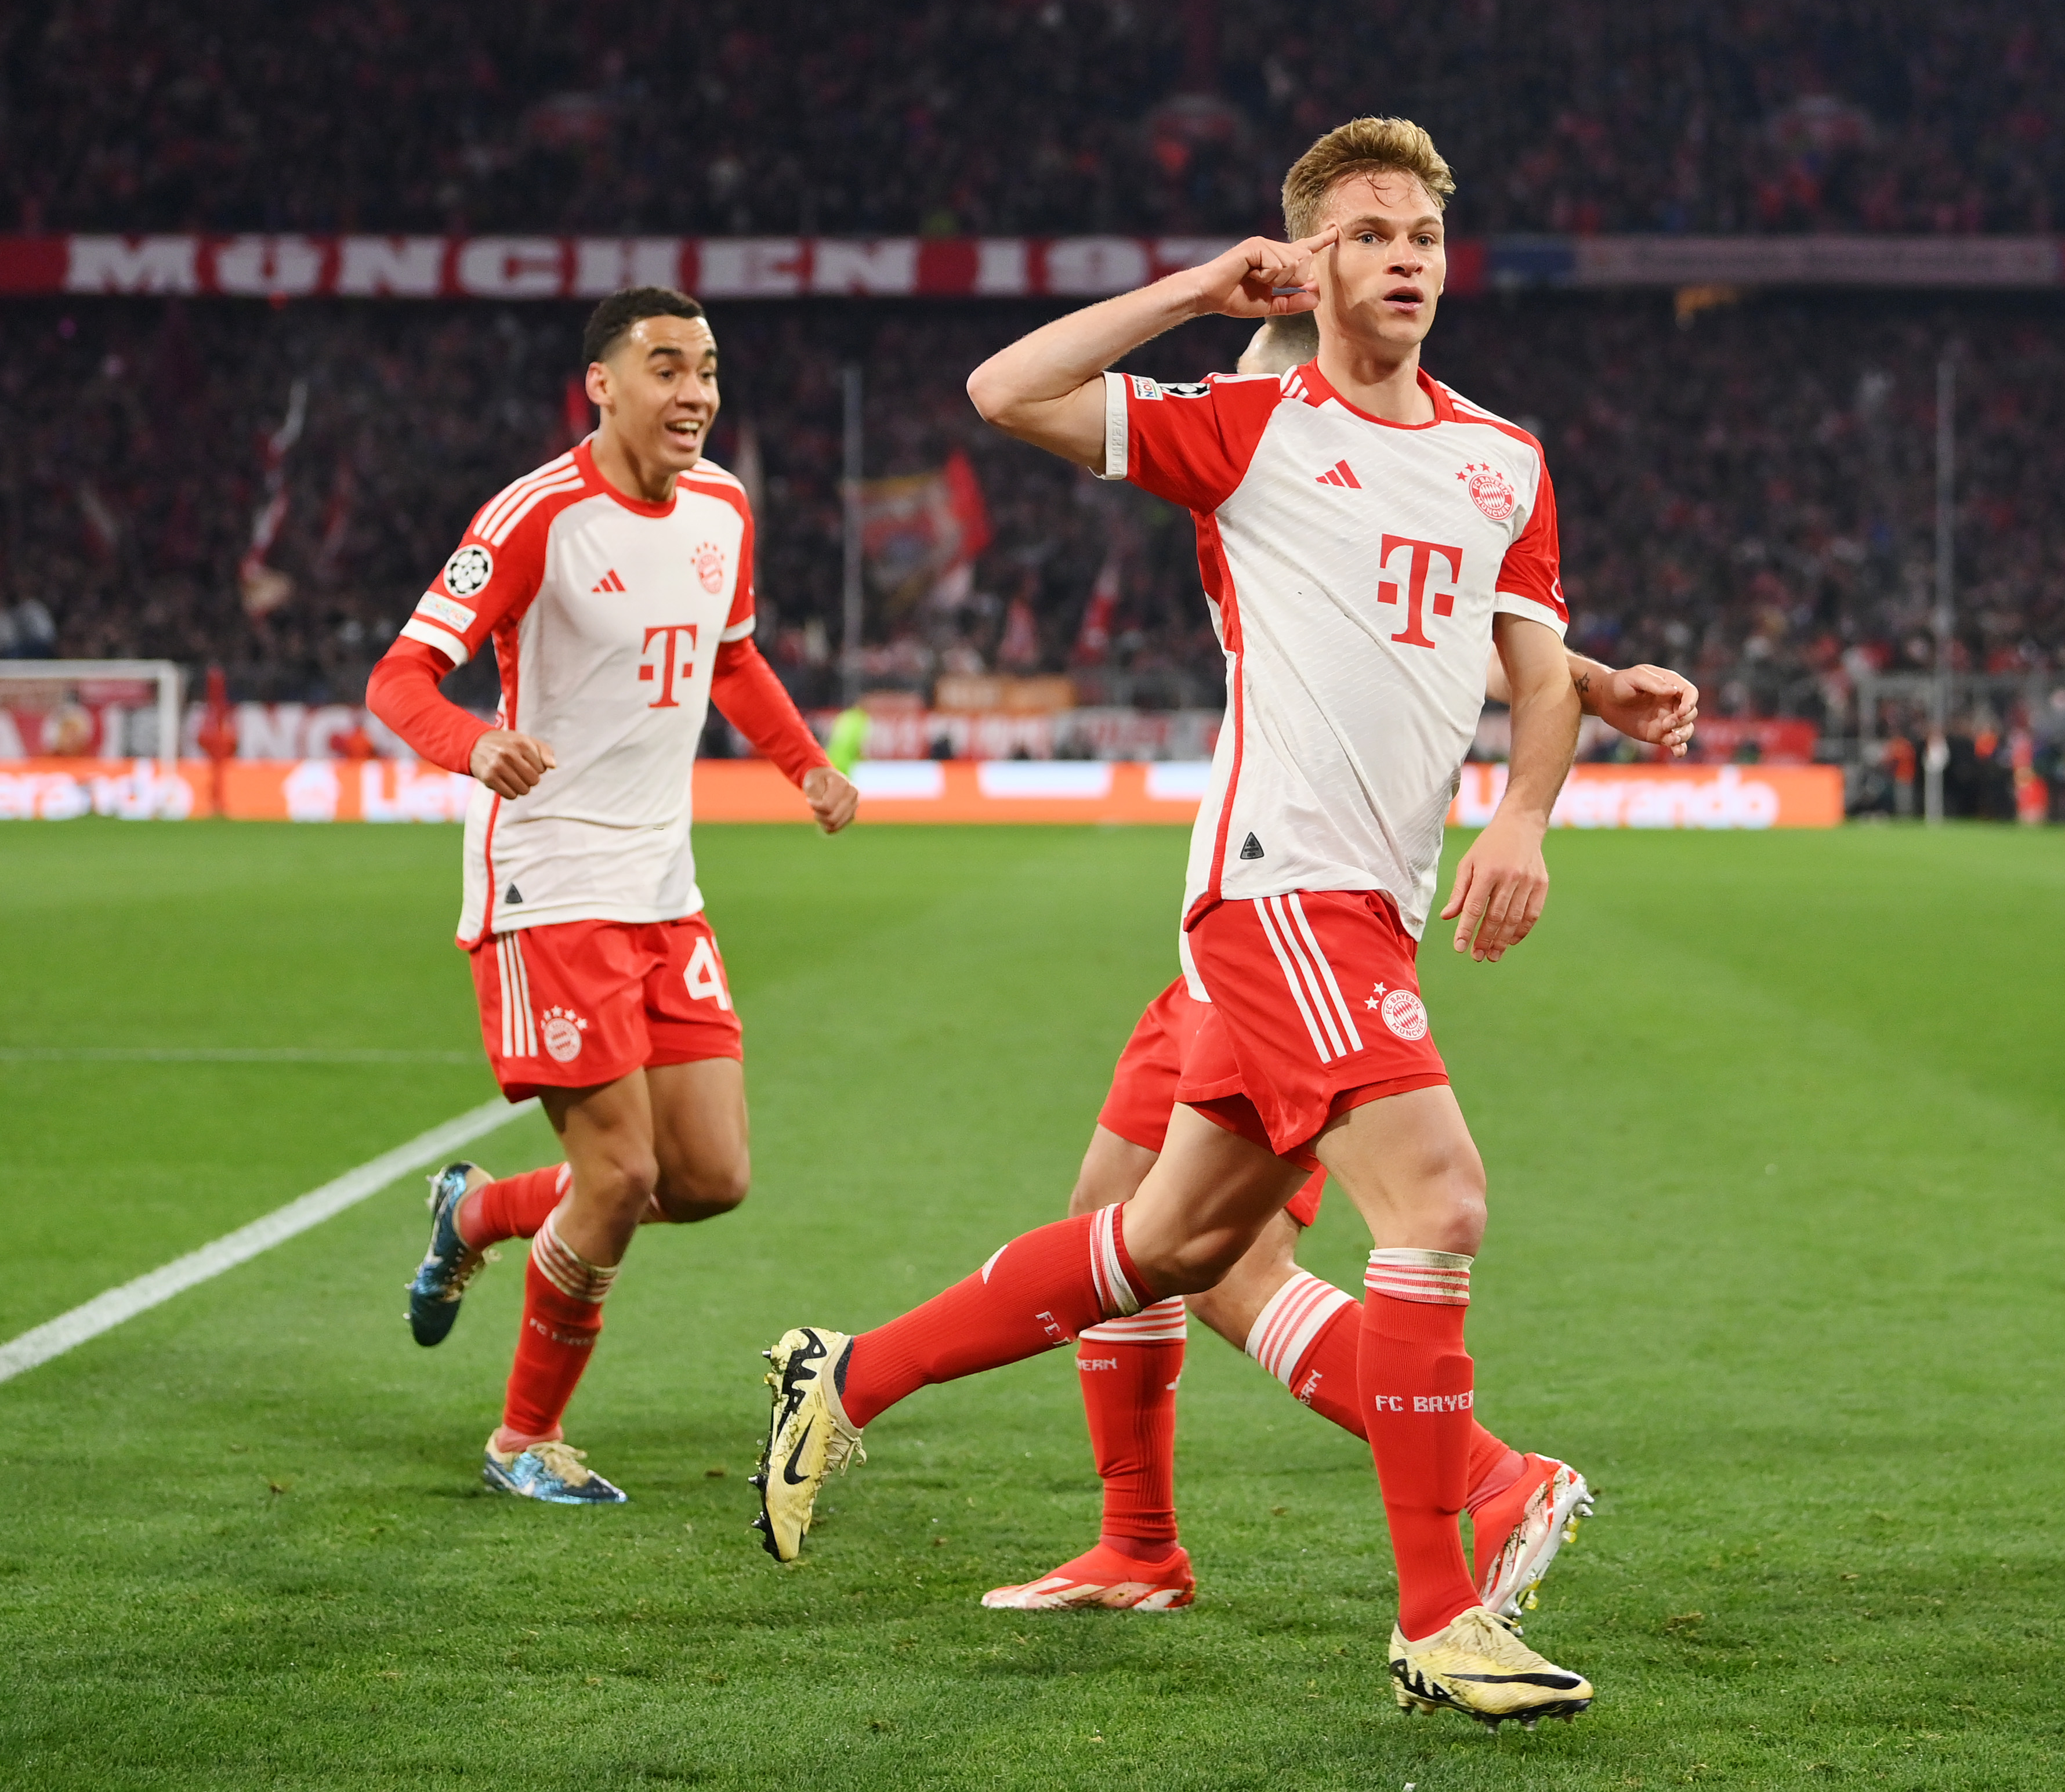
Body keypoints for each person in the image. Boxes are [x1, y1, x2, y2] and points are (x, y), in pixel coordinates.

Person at [752, 117, 1599, 1728]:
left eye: (1422, 230)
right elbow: (1005, 393)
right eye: (1366, 233)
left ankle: (848, 1376)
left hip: (1376, 907)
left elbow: (1535, 664)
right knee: (1439, 1197)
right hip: (1277, 890)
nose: (1404, 256)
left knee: (1166, 1244)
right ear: (1312, 261)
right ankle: (1440, 1616)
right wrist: (1197, 288)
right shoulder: (1247, 427)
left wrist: (1529, 809)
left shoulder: (1505, 455)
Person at [989, 313, 1701, 1619]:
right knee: (1149, 1231)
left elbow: (1405, 589)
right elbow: (1357, 577)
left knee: (1194, 1244)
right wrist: (1206, 286)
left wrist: (1582, 685)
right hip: (1257, 904)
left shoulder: (1427, 457)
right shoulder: (1247, 456)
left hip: (1289, 905)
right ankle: (1140, 1536)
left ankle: (1457, 1508)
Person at [367, 286, 858, 1505]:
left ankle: (476, 1212)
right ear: (601, 384)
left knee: (708, 1174)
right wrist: (470, 741)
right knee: (621, 1174)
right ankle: (521, 1438)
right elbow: (401, 674)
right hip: (549, 882)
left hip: (661, 885)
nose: (694, 393)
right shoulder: (539, 515)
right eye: (666, 369)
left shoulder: (726, 506)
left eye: (707, 371)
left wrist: (803, 763)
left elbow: (730, 654)